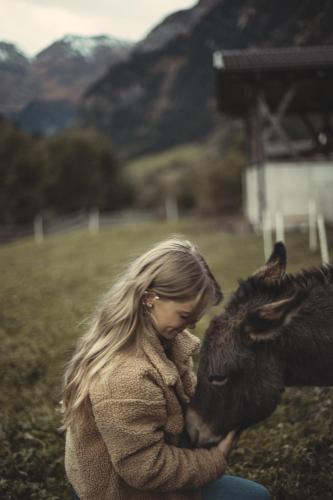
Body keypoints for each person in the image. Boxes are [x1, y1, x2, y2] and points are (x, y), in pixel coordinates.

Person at [61, 238, 271, 500]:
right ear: (149, 298)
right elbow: (144, 469)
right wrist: (215, 458)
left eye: (195, 319)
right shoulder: (125, 375)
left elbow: (178, 407)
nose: (191, 327)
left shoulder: (165, 340)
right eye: (185, 316)